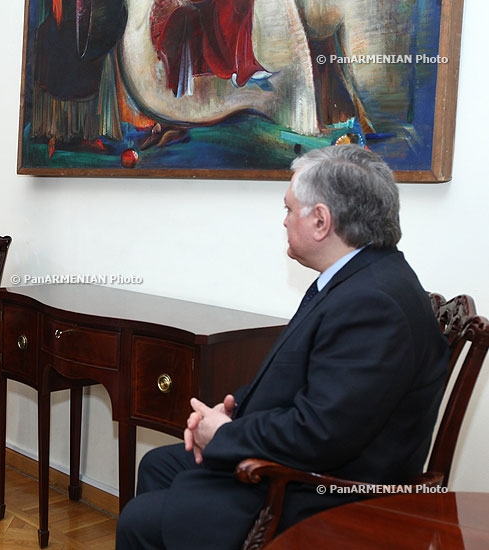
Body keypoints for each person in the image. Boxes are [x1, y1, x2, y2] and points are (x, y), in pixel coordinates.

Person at [116, 145, 450, 549]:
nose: (285, 220)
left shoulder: (373, 303)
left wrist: (226, 434)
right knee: (158, 463)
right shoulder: (360, 278)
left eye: (290, 209)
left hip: (328, 494)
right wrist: (232, 411)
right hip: (308, 468)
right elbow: (306, 382)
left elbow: (319, 434)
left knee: (138, 521)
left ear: (321, 221)